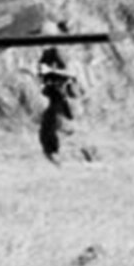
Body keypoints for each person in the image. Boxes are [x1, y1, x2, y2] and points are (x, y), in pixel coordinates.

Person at [37, 21, 96, 164]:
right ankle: (81, 152)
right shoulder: (47, 53)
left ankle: (85, 152)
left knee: (60, 127)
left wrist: (50, 71)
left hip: (66, 97)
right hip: (56, 97)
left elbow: (71, 72)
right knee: (51, 127)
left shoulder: (59, 51)